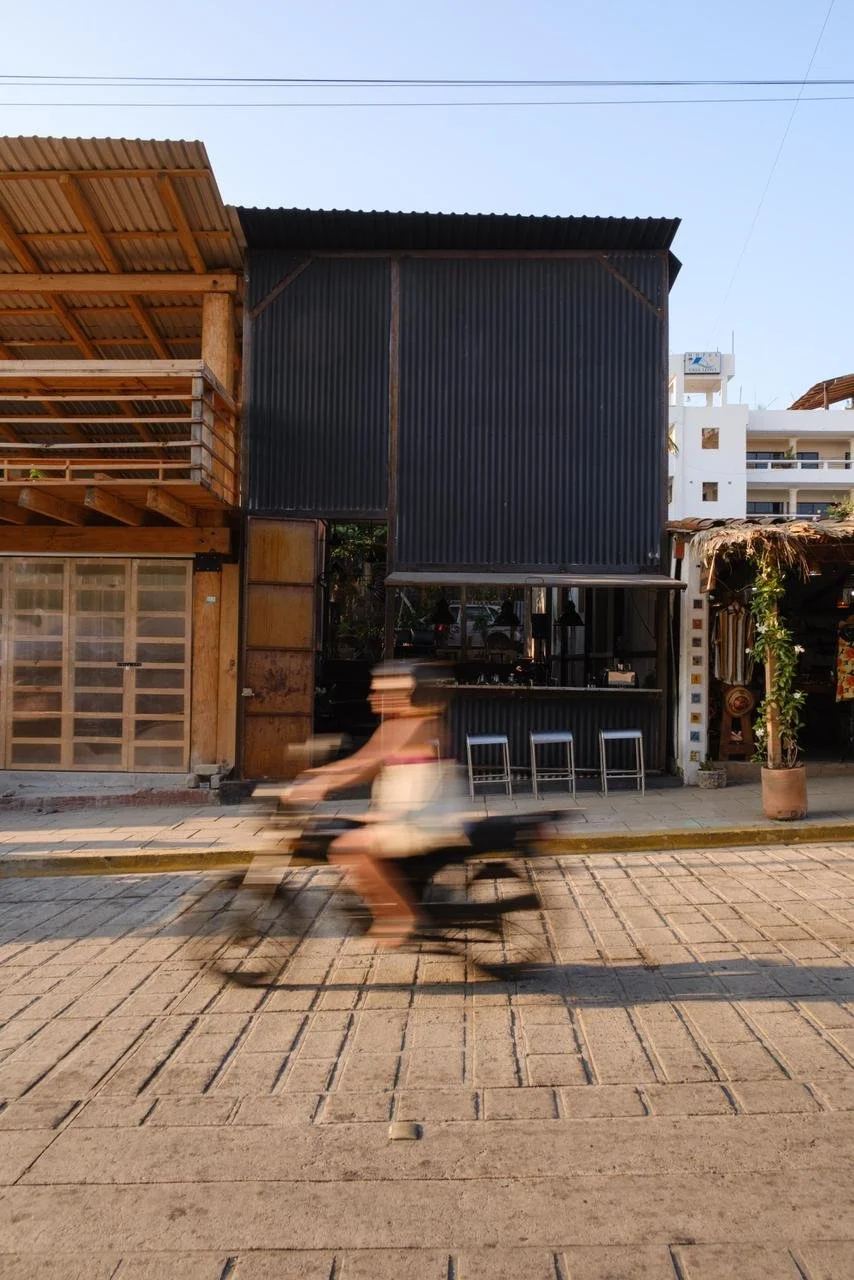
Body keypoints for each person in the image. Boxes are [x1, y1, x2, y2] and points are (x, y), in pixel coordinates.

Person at [284, 662, 469, 947]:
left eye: (379, 692)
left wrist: (321, 785)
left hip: (422, 819)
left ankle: (401, 916)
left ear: (402, 695)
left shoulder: (418, 724)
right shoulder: (395, 725)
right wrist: (314, 776)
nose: (371, 697)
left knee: (347, 848)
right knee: (342, 829)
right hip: (403, 813)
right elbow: (361, 762)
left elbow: (369, 765)